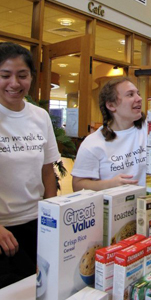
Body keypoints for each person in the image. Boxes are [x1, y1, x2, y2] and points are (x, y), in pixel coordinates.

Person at [0, 42, 60, 287]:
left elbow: (48, 171)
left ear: (31, 78)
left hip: (36, 222)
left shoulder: (40, 116)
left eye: (22, 75)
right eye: (5, 75)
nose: (14, 83)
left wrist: (51, 217)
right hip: (2, 228)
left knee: (38, 287)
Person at [71, 77, 147, 192]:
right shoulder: (93, 143)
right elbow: (77, 185)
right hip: (114, 208)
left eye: (138, 93)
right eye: (130, 95)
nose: (139, 98)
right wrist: (110, 184)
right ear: (111, 105)